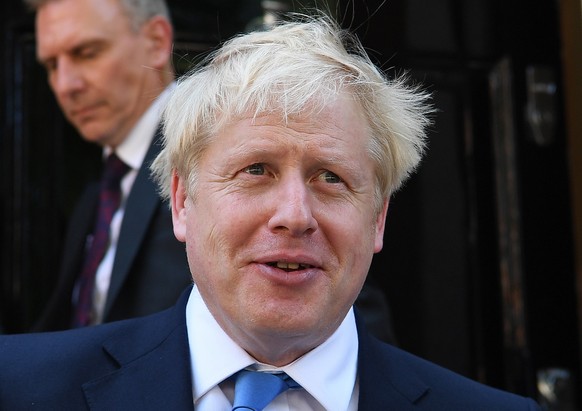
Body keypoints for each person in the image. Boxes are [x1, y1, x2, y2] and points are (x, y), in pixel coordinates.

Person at [0, 15, 540, 410]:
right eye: (256, 170)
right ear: (183, 201)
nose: (294, 215)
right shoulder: (18, 387)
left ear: (378, 219)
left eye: (331, 178)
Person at [24, 0, 192, 330]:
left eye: (86, 53)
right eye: (51, 66)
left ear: (157, 42)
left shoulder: (205, 159)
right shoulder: (102, 187)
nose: (64, 85)